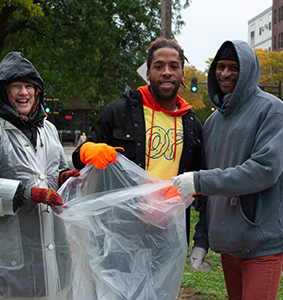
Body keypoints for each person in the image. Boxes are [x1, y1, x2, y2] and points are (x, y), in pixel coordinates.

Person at [171, 40, 283, 300]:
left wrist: (199, 180)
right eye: (221, 67)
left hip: (262, 243)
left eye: (234, 68)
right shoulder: (214, 121)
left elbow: (264, 170)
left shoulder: (272, 111)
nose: (225, 74)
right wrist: (202, 240)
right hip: (229, 243)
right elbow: (208, 193)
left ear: (248, 71)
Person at [0, 52, 79, 300]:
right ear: (4, 91)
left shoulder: (48, 129)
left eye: (29, 86)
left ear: (37, 91)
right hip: (5, 248)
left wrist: (66, 178)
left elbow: (53, 173)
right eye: (16, 86)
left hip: (49, 239)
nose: (24, 93)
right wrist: (26, 193)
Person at [72, 37, 205, 244]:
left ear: (182, 74)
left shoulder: (192, 124)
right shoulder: (119, 111)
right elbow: (78, 159)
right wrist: (88, 150)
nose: (167, 72)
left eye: (174, 66)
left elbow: (200, 179)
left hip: (168, 229)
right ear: (148, 74)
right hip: (119, 228)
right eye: (159, 66)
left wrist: (201, 238)